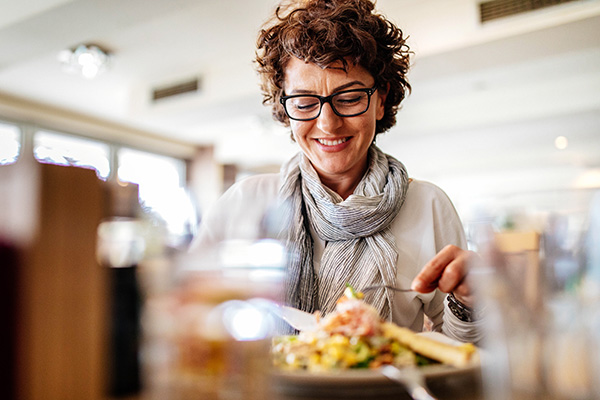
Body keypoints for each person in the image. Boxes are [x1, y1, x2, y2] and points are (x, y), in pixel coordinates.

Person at [193, 0, 482, 343]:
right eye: (304, 102)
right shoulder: (245, 202)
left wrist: (469, 303)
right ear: (285, 108)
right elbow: (191, 316)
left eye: (348, 98)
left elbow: (455, 350)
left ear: (381, 99)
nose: (327, 124)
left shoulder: (429, 205)